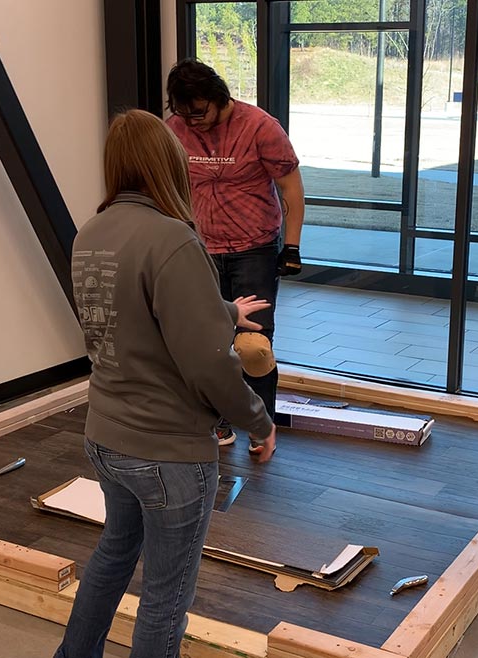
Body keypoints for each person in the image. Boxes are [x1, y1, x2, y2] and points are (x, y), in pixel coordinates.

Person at [54, 109, 277, 658]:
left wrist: (222, 309)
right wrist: (258, 421)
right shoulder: (174, 239)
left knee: (113, 553)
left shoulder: (91, 233)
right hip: (167, 451)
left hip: (106, 436)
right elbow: (207, 365)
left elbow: (135, 306)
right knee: (165, 593)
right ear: (170, 164)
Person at [165, 58, 305, 451]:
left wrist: (291, 246)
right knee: (209, 341)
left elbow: (292, 191)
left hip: (254, 249)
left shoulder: (260, 127)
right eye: (183, 114)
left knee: (253, 345)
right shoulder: (175, 129)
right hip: (200, 248)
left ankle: (263, 428)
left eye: (199, 112)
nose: (193, 122)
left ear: (218, 96)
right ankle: (219, 420)